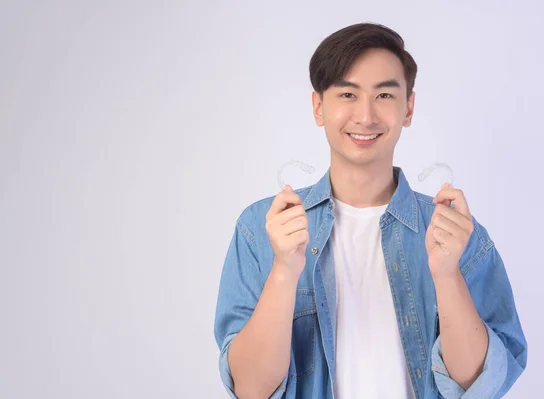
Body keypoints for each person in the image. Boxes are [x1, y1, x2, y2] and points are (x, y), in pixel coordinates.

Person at [213, 22, 527, 399]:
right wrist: (283, 271)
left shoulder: (457, 232)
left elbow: (478, 385)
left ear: (408, 107)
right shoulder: (261, 228)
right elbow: (251, 389)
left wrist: (447, 275)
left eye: (384, 95)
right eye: (347, 94)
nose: (365, 116)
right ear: (319, 107)